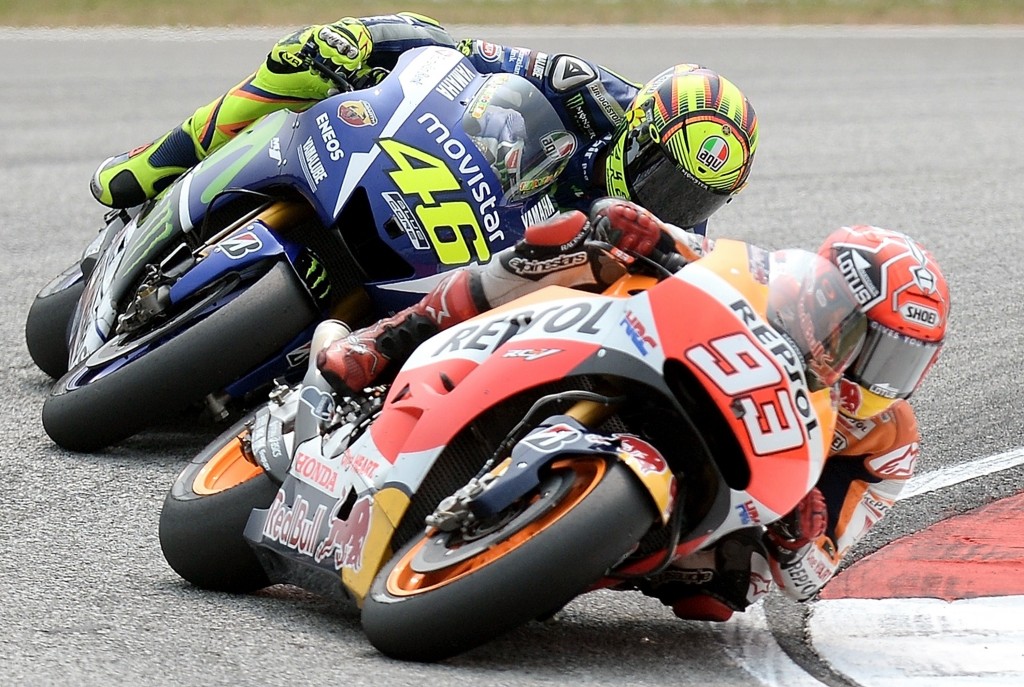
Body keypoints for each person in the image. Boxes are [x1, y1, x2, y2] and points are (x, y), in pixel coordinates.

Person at [314, 199, 951, 622]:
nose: (877, 380)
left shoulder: (888, 443)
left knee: (724, 596)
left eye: (902, 365)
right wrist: (639, 229)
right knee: (573, 246)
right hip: (659, 361)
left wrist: (801, 536)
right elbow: (685, 247)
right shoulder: (769, 285)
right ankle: (389, 339)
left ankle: (553, 556)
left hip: (735, 496)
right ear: (826, 301)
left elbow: (815, 575)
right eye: (872, 348)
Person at [89, 12, 758, 236]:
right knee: (326, 55)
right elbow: (467, 56)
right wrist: (368, 43)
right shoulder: (591, 93)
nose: (677, 203)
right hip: (460, 180)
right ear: (640, 133)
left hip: (489, 268)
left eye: (699, 195)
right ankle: (160, 161)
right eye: (668, 177)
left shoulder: (679, 241)